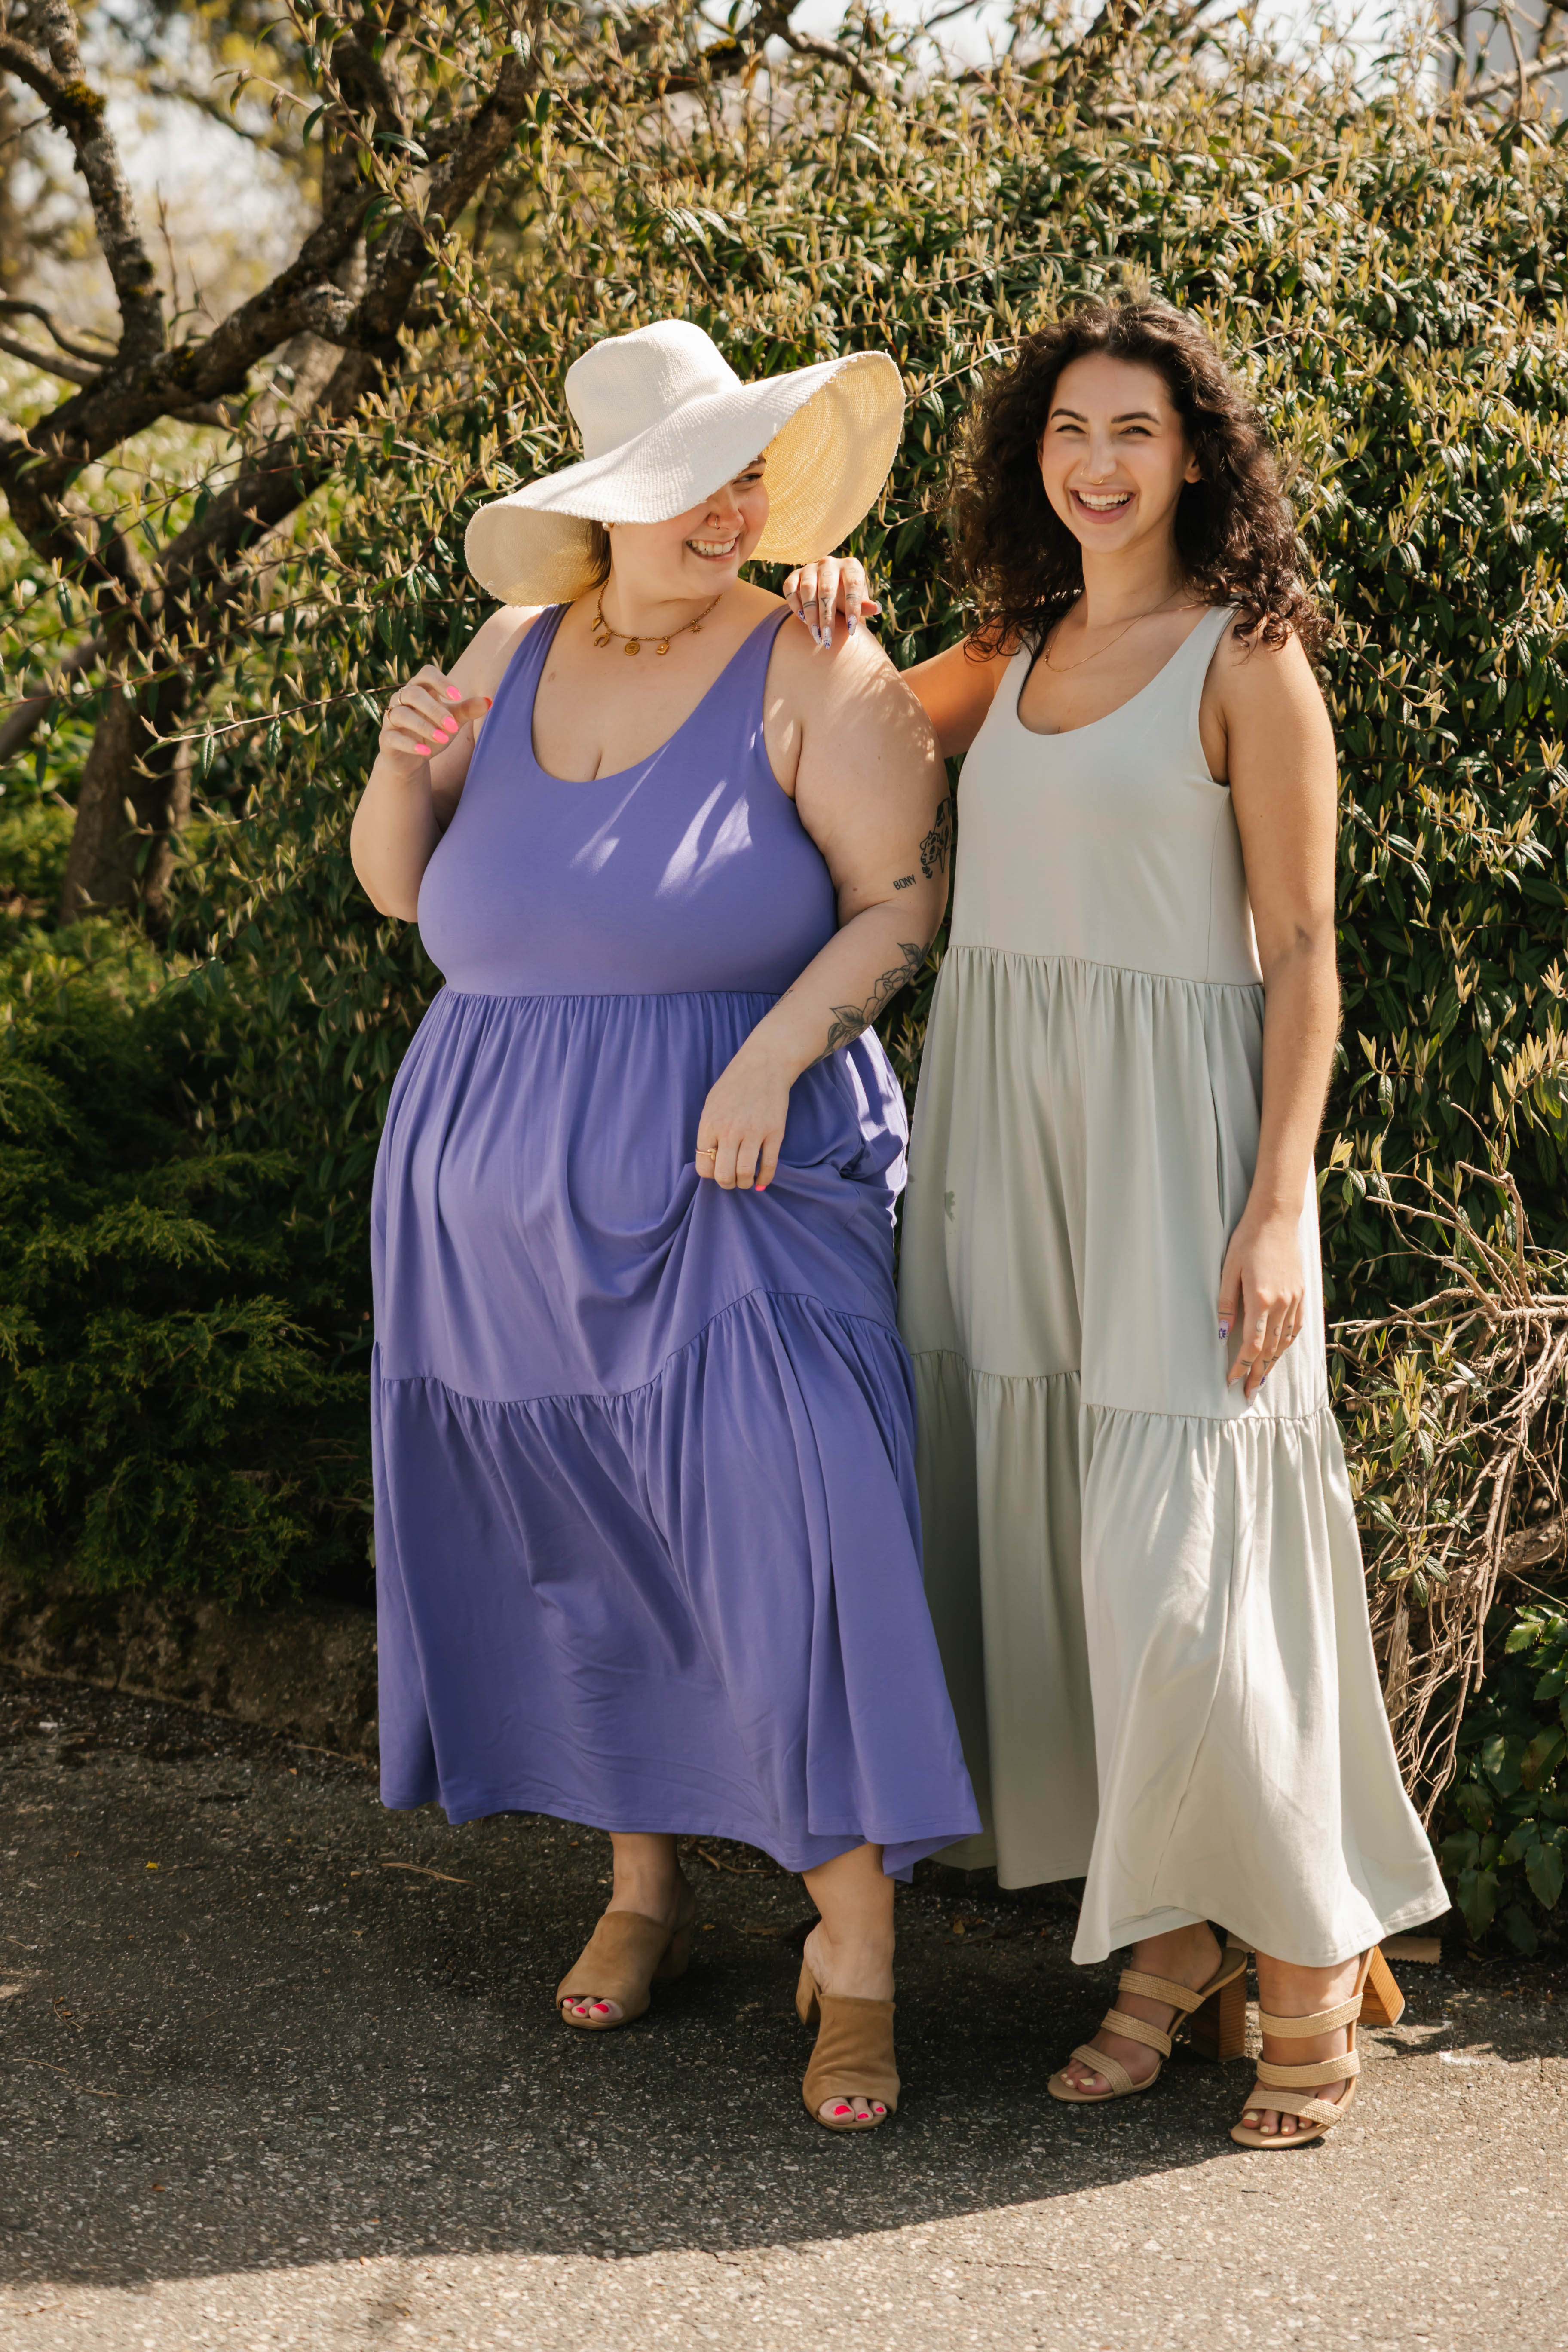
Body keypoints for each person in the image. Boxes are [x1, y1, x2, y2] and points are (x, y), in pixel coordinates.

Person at [784, 296, 1446, 2149]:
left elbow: (1304, 956)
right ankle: (1168, 1939)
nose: (1098, 462)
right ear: (1034, 458)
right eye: (1068, 429)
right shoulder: (1015, 645)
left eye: (1135, 431)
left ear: (1196, 457)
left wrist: (1278, 1207)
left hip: (1178, 1147)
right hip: (1007, 1138)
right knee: (1069, 1549)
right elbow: (832, 728)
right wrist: (819, 609)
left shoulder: (1251, 658)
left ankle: (1305, 1949)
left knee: (1192, 1566)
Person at [349, 319, 980, 2133]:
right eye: (690, 481)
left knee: (797, 1525)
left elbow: (901, 904)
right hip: (485, 1200)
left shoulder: (817, 654)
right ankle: (643, 1889)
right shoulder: (506, 649)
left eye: (747, 478)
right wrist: (398, 763)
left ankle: (855, 1947)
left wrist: (774, 1057)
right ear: (607, 503)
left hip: (737, 1175)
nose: (730, 510)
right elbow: (403, 893)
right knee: (582, 1531)